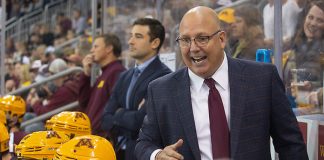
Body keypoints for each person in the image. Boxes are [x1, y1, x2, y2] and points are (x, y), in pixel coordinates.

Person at [135, 6, 308, 160]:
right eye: (185, 40)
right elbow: (144, 143)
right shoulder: (161, 90)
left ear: (222, 39)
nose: (193, 48)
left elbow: (291, 144)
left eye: (202, 38)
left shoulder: (262, 78)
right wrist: (157, 155)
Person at [101, 18, 172, 160]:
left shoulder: (164, 76)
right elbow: (105, 119)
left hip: (141, 155)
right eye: (131, 36)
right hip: (118, 151)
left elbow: (139, 122)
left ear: (155, 43)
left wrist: (119, 113)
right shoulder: (124, 76)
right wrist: (128, 115)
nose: (130, 42)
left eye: (138, 36)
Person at [78, 34, 126, 137]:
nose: (91, 50)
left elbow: (116, 108)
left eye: (96, 46)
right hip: (93, 135)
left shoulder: (117, 72)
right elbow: (83, 101)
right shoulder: (104, 73)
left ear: (109, 49)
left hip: (102, 138)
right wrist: (86, 74)